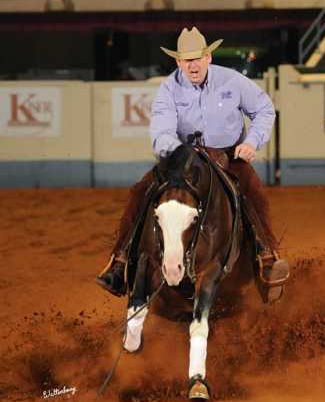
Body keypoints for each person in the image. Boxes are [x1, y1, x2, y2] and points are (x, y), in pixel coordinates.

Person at [96, 27, 289, 298]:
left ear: (208, 57)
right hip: (184, 158)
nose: (193, 65)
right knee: (141, 191)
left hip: (228, 156)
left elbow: (264, 109)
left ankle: (265, 256)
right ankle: (121, 260)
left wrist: (252, 142)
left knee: (252, 190)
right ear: (178, 62)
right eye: (187, 60)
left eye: (197, 58)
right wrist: (181, 155)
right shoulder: (168, 89)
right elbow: (161, 132)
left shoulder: (232, 81)